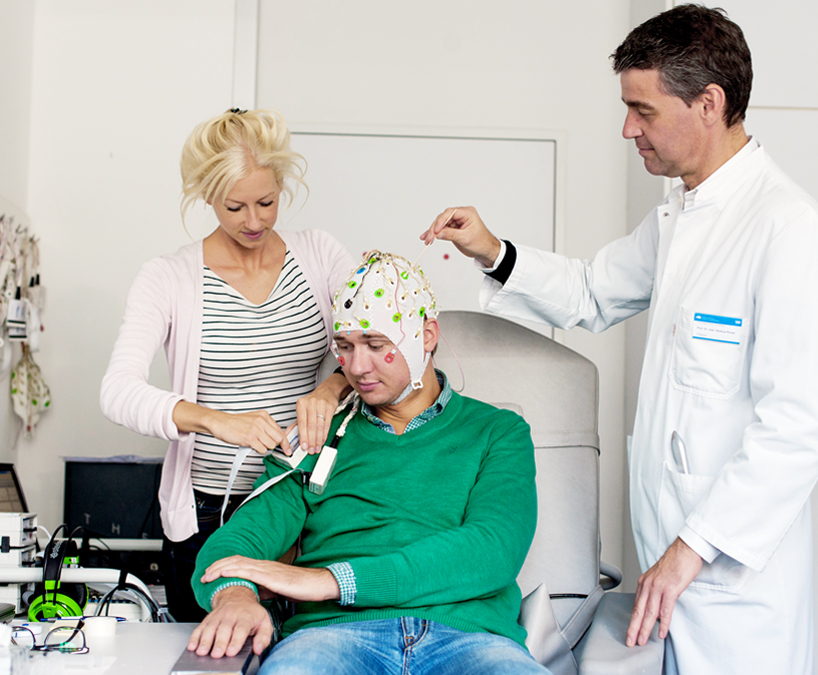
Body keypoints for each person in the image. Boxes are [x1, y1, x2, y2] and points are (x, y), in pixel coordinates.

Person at [421, 5, 818, 675]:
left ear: (709, 103)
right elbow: (592, 292)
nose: (628, 129)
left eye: (642, 110)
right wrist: (494, 250)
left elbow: (799, 424)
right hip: (667, 572)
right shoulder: (678, 214)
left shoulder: (787, 229)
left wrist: (692, 548)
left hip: (735, 589)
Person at [187, 251, 549, 675]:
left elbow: (492, 549)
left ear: (426, 335)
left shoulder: (497, 432)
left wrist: (331, 580)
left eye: (377, 345)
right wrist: (236, 597)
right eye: (344, 347)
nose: (357, 367)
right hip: (333, 639)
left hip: (471, 639)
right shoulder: (316, 439)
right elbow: (236, 546)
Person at [100, 109, 355, 621]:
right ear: (204, 195)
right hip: (205, 514)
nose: (254, 221)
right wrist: (216, 421)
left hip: (304, 504)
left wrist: (330, 389)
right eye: (235, 206)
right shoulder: (169, 278)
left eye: (267, 201)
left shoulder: (321, 256)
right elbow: (117, 390)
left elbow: (373, 347)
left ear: (283, 184)